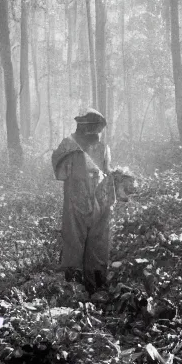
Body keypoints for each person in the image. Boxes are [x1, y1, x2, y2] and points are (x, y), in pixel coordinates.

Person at [52, 108, 116, 295]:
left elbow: (107, 171)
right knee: (74, 240)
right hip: (76, 200)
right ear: (83, 126)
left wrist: (110, 192)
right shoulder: (68, 145)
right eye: (93, 127)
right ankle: (74, 286)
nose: (96, 132)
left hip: (98, 201)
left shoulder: (102, 148)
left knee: (98, 241)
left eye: (97, 128)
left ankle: (96, 284)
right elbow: (60, 171)